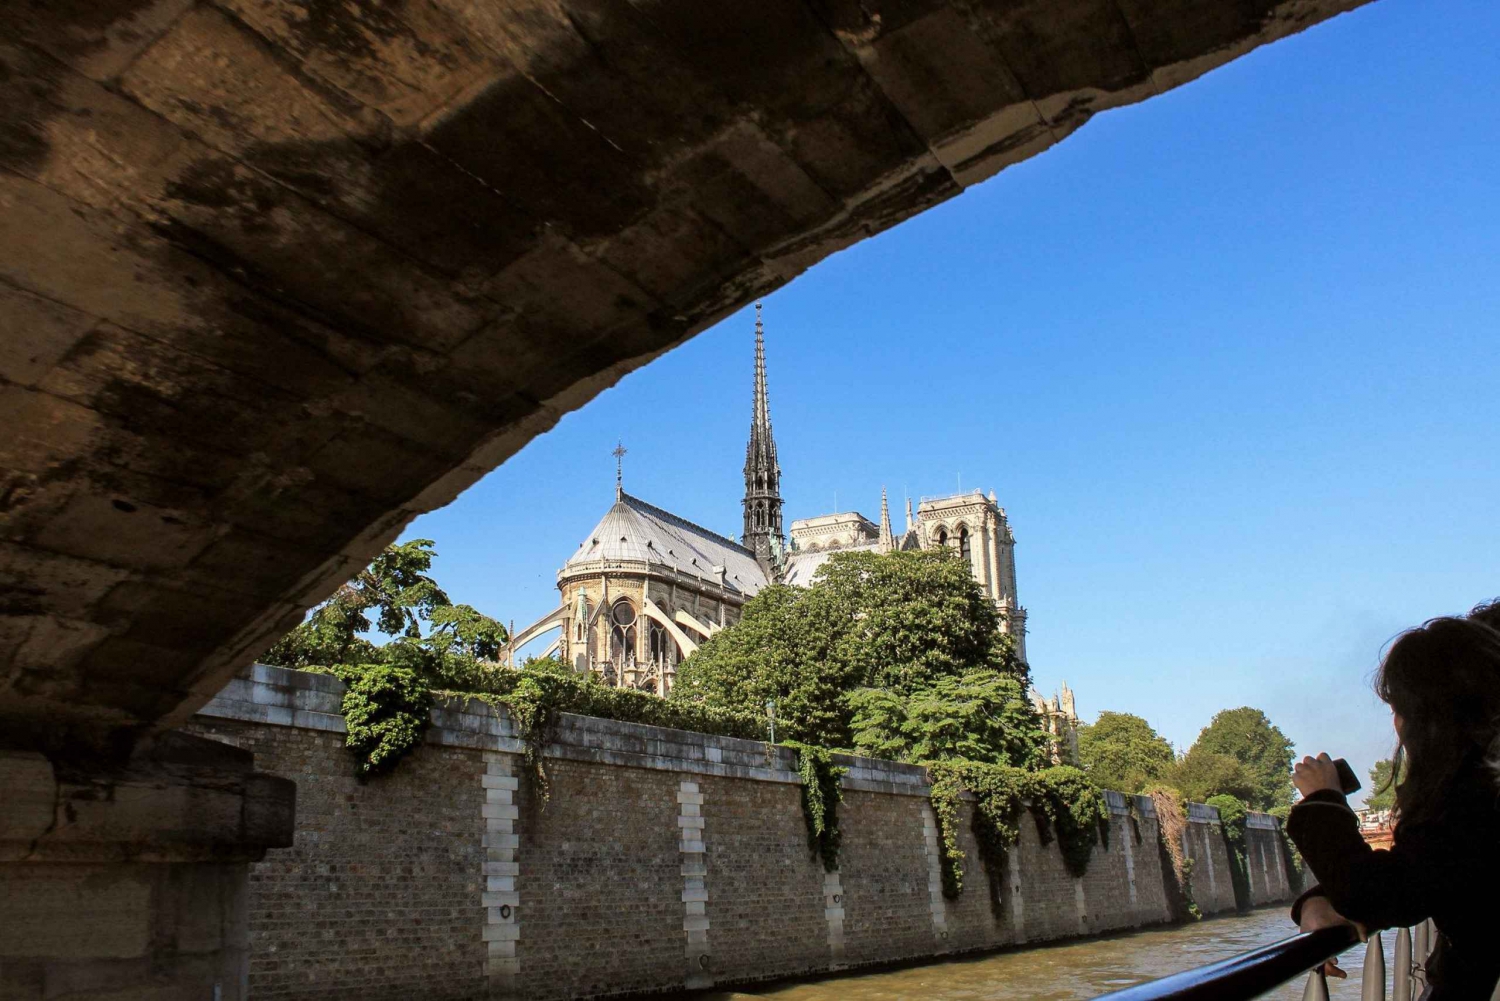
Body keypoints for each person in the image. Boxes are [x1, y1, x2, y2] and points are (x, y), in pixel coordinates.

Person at [1287, 612, 1500, 999]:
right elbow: (1422, 874)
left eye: (1398, 710)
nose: (1397, 726)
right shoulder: (1481, 788)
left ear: (1431, 718)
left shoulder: (1475, 796)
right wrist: (1321, 898)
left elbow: (1384, 893)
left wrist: (1322, 799)